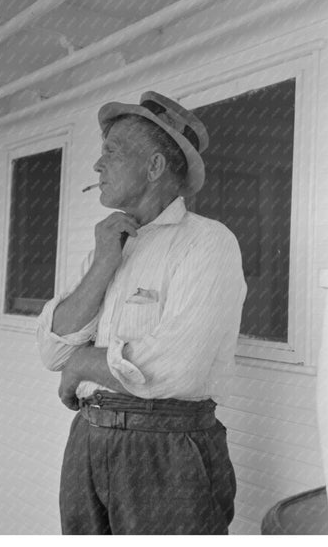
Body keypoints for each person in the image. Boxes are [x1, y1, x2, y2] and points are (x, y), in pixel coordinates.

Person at [36, 91, 247, 535]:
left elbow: (177, 368)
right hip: (87, 440)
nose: (97, 166)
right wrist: (103, 265)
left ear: (154, 167)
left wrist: (83, 363)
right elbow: (53, 350)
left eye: (111, 153)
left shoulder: (207, 243)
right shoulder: (109, 244)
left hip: (167, 449)